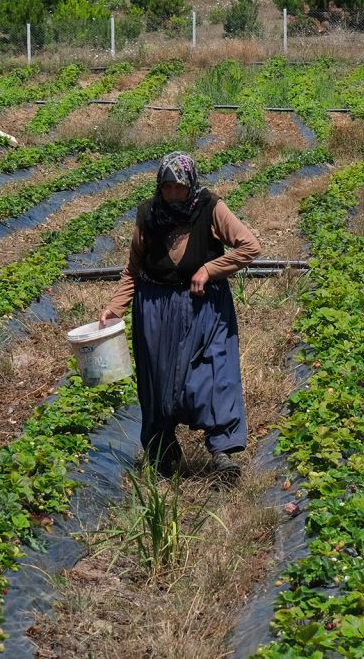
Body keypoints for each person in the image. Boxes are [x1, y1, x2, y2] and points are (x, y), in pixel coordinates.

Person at [99, 151, 260, 486]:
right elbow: (134, 268)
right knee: (159, 384)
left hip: (205, 308)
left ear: (191, 184)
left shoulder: (210, 208)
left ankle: (222, 453)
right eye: (167, 186)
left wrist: (210, 268)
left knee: (214, 373)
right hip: (156, 309)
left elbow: (249, 247)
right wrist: (115, 307)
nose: (173, 193)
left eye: (179, 186)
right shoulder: (149, 215)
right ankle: (164, 456)